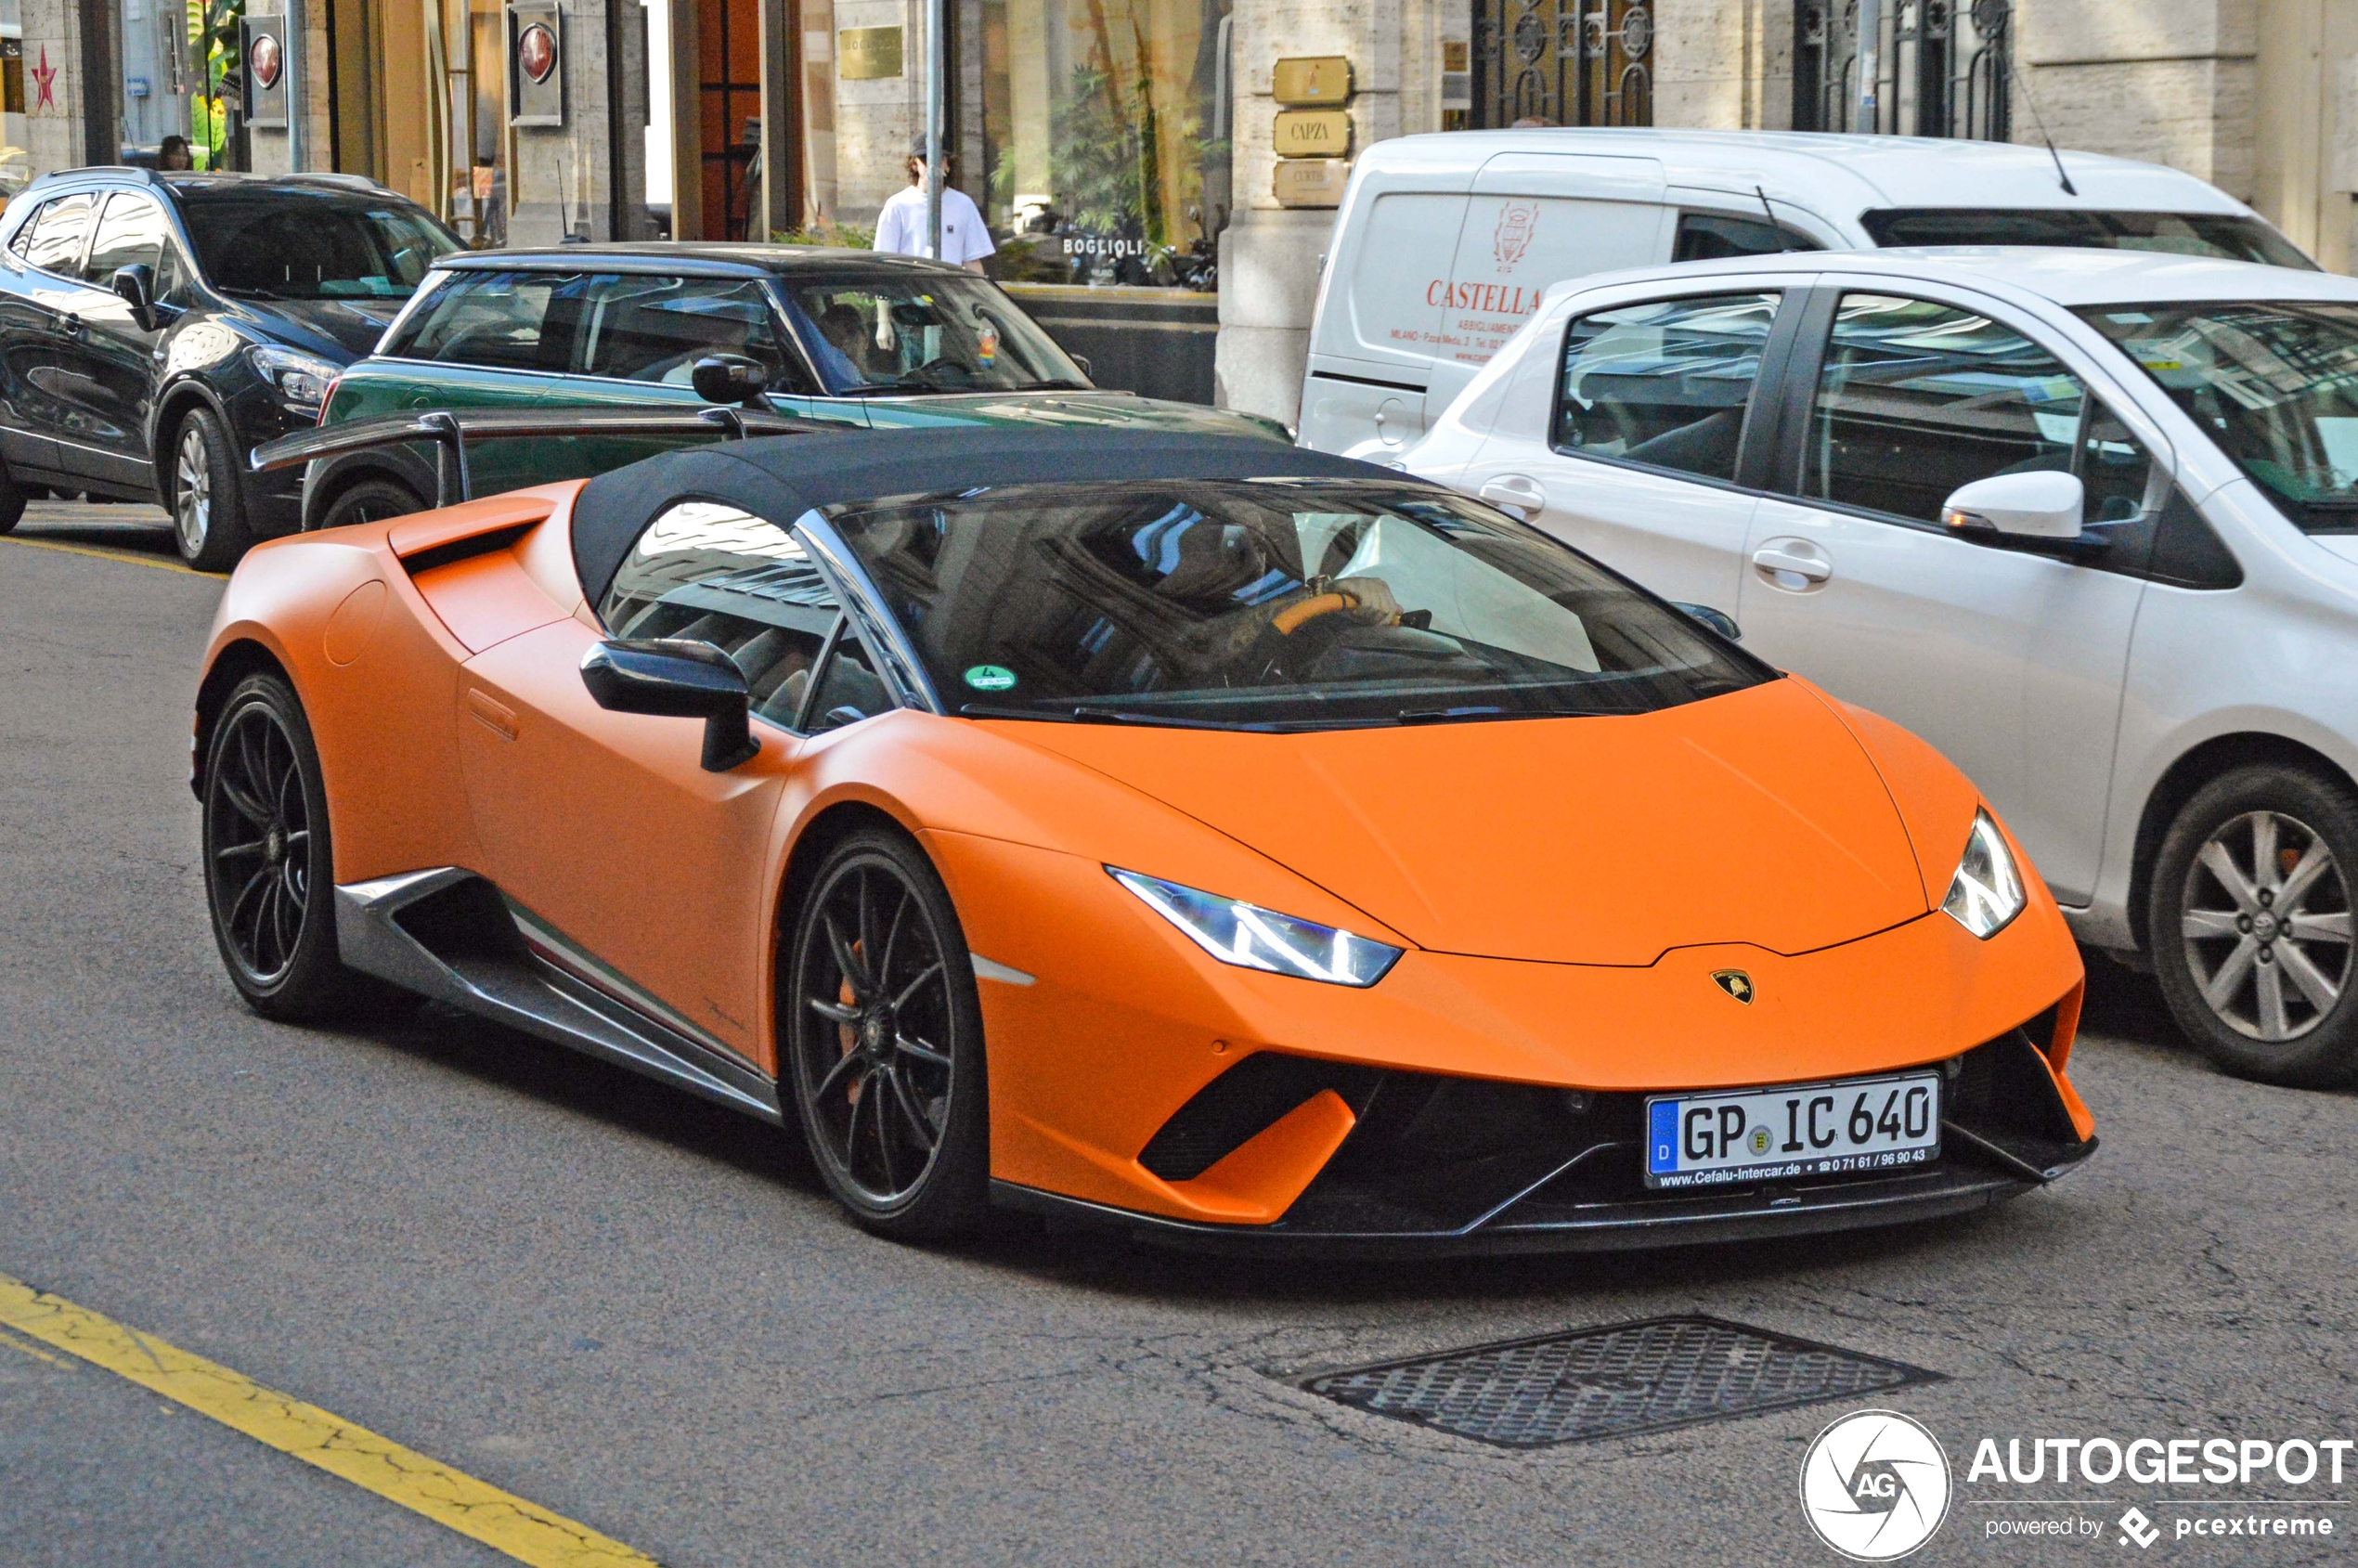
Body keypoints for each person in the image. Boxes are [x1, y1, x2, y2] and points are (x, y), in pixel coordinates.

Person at [872, 139, 995, 274]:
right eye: (925, 159)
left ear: (947, 165)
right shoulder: (897, 205)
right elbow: (885, 261)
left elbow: (972, 261)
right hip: (911, 290)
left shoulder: (963, 205)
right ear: (915, 165)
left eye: (938, 159)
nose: (932, 166)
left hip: (950, 290)